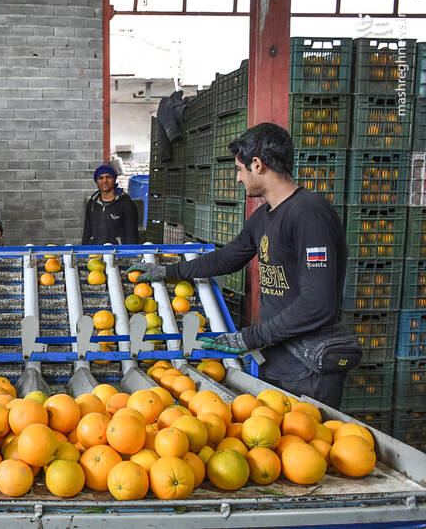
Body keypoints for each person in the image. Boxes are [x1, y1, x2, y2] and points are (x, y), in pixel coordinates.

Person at [129, 123, 349, 408]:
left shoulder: (309, 215)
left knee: (308, 445)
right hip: (278, 358)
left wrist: (249, 337)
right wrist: (168, 271)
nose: (237, 179)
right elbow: (227, 258)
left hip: (310, 367)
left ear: (257, 165)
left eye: (240, 169)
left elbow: (317, 303)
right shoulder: (264, 217)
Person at [82, 164, 139, 245]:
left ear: (114, 179)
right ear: (96, 181)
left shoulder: (126, 203)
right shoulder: (92, 204)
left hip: (117, 252)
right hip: (95, 253)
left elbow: (131, 234)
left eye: (108, 177)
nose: (104, 181)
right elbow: (87, 232)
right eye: (101, 178)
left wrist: (130, 255)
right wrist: (84, 253)